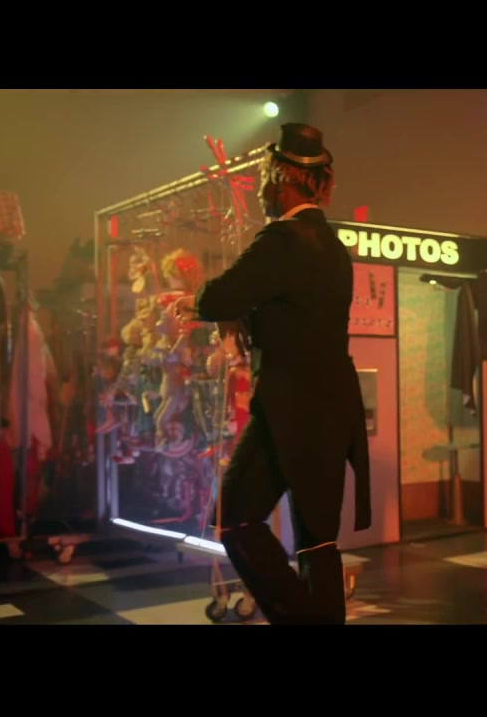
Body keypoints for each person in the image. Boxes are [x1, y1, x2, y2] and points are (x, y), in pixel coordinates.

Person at [173, 123, 370, 625]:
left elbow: (219, 296)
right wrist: (245, 314)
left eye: (264, 178)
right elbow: (295, 314)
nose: (260, 190)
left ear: (281, 179)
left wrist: (199, 303)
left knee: (235, 517)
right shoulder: (331, 245)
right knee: (318, 542)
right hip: (331, 407)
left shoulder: (282, 239)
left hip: (289, 409)